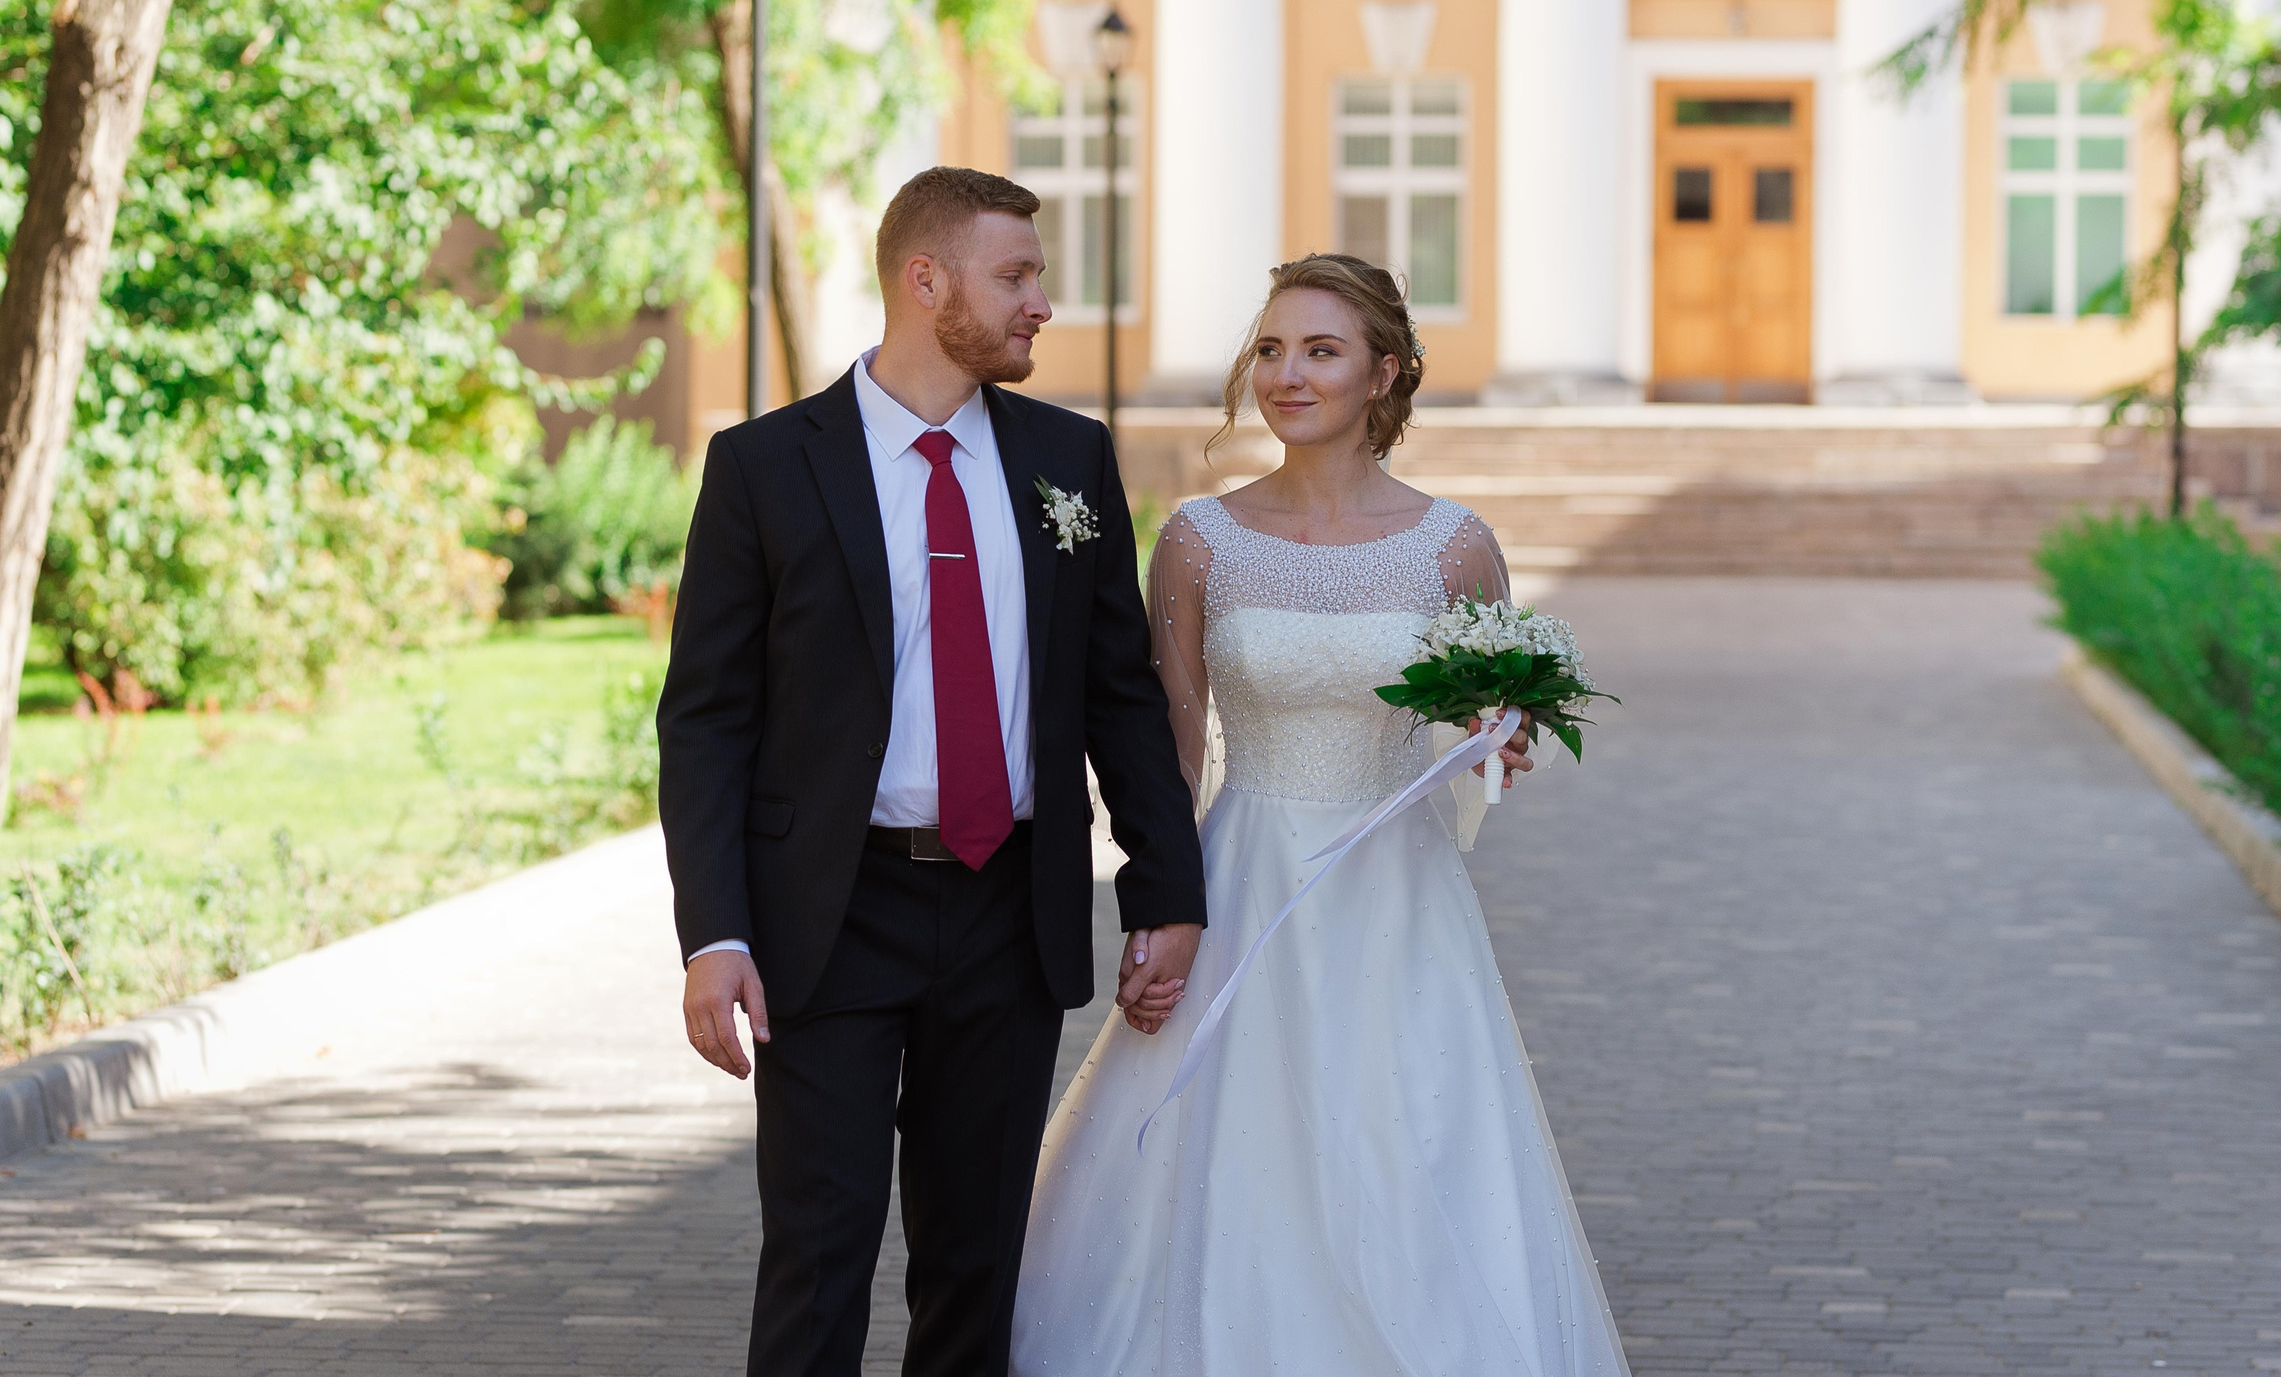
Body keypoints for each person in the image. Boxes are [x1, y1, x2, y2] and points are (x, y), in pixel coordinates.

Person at [1011, 254, 1634, 1377]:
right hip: (1242, 877)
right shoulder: (1198, 539)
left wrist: (1504, 736)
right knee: (1230, 1152)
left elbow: (1494, 720)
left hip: (1396, 897)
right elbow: (1169, 748)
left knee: (1406, 1134)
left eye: (1320, 350)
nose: (1286, 374)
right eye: (1270, 349)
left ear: (1383, 373)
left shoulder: (1454, 544)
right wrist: (1157, 910)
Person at [658, 166, 1208, 1377]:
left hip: (1010, 907)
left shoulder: (1069, 458)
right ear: (925, 280)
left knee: (977, 1264)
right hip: (829, 912)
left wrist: (1167, 887)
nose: (1041, 303)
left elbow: (1118, 694)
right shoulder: (764, 466)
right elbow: (705, 720)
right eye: (1015, 276)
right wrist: (715, 933)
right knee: (819, 1253)